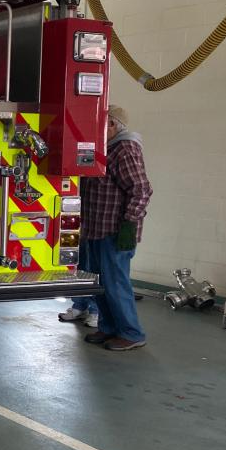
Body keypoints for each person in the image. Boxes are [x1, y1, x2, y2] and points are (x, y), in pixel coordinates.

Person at [80, 105, 153, 351]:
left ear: (112, 124)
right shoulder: (106, 149)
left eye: (99, 122)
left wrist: (129, 223)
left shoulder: (125, 149)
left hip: (114, 231)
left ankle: (131, 333)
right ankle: (109, 328)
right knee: (99, 283)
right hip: (96, 228)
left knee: (115, 283)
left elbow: (141, 189)